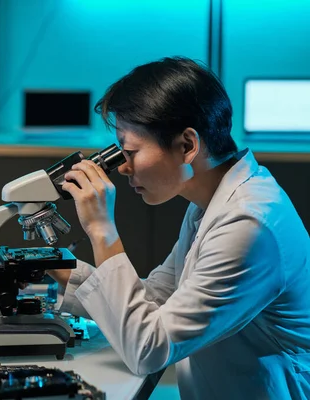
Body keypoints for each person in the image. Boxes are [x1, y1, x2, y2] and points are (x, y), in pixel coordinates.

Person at [49, 57, 310, 399]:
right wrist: (67, 272)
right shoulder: (211, 202)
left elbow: (149, 349)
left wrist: (102, 230)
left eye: (130, 151)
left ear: (187, 145)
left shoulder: (248, 223)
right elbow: (158, 297)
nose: (123, 168)